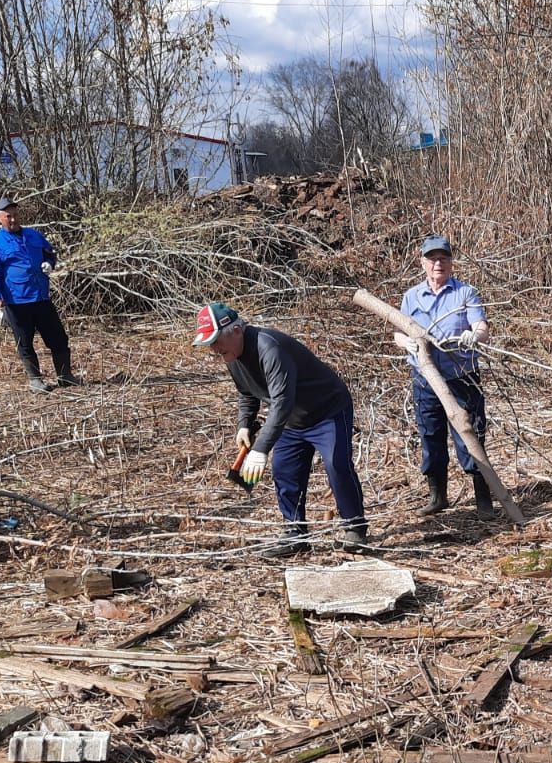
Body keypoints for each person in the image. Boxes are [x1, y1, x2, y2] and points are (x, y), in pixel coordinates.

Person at [192, 302, 368, 555]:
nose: (214, 348)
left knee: (336, 464)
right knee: (285, 471)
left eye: (216, 340)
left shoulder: (269, 347)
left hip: (326, 411)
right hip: (291, 421)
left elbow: (282, 401)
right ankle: (295, 534)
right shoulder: (230, 355)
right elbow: (247, 391)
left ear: (236, 331)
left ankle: (355, 527)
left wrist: (261, 448)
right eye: (209, 343)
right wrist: (244, 424)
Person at [395, 235, 495, 519]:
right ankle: (438, 496)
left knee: (470, 434)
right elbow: (397, 332)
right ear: (423, 263)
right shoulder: (411, 296)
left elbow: (482, 326)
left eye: (443, 259)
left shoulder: (465, 293)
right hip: (425, 379)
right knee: (431, 436)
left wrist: (473, 336)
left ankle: (483, 497)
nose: (438, 264)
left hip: (461, 376)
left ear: (451, 262)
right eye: (432, 259)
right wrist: (407, 344)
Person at [0, 195, 79, 392]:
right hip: (16, 302)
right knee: (25, 342)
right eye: (8, 216)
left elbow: (49, 253)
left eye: (15, 215)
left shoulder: (34, 235)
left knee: (59, 338)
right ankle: (35, 379)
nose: (13, 219)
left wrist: (49, 263)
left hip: (41, 298)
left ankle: (65, 376)